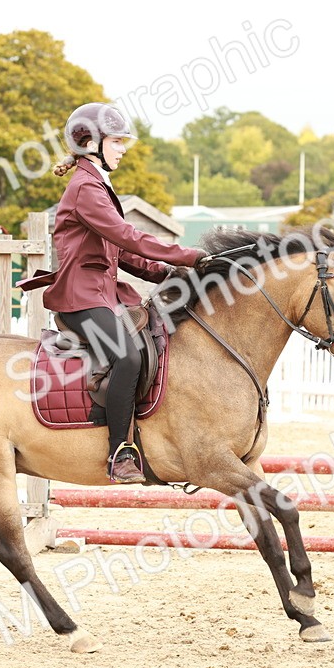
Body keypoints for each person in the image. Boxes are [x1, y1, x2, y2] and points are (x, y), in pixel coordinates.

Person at [44, 103, 206, 483]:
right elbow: (127, 236)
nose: (123, 149)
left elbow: (123, 253)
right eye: (117, 142)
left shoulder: (97, 183)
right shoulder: (85, 188)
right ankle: (120, 453)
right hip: (79, 299)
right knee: (129, 357)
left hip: (103, 295)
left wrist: (169, 270)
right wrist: (190, 254)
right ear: (91, 144)